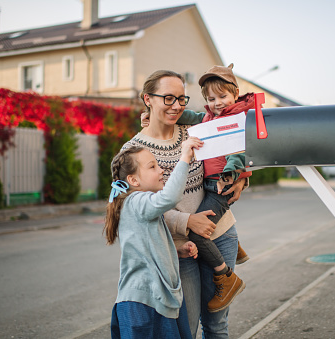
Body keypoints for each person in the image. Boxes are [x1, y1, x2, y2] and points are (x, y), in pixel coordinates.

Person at [122, 70, 247, 338]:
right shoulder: (133, 151)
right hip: (180, 248)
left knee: (217, 326)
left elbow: (235, 153)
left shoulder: (196, 130)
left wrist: (242, 182)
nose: (177, 106)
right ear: (148, 99)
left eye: (181, 98)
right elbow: (131, 205)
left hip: (220, 234)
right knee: (187, 329)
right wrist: (186, 221)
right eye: (168, 98)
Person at [173, 63, 255, 312]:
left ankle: (226, 277)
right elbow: (196, 117)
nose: (217, 102)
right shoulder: (212, 115)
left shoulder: (239, 118)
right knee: (200, 216)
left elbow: (239, 151)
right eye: (211, 98)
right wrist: (160, 113)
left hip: (222, 184)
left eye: (222, 96)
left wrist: (231, 174)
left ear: (235, 93)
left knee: (197, 232)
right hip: (209, 185)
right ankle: (236, 249)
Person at [104, 136, 203, 339]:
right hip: (144, 304)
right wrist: (185, 156)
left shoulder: (137, 206)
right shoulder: (137, 201)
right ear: (133, 180)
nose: (161, 171)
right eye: (152, 167)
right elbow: (170, 197)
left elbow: (145, 246)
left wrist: (175, 251)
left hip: (152, 299)